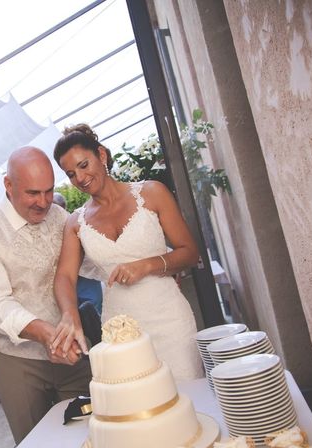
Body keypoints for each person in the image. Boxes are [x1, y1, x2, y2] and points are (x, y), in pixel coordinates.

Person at [52, 124, 203, 381]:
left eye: (83, 165)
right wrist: (70, 315)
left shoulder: (153, 193)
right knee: (138, 406)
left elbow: (190, 253)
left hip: (170, 321)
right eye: (70, 173)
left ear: (101, 155)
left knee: (188, 401)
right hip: (120, 330)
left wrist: (147, 265)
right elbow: (64, 277)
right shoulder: (76, 223)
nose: (79, 178)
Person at [0, 146, 92, 444]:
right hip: (15, 359)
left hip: (70, 349)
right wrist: (48, 335)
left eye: (49, 191)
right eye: (33, 193)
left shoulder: (60, 216)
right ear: (8, 185)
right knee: (37, 447)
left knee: (92, 432)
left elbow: (86, 263)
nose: (44, 202)